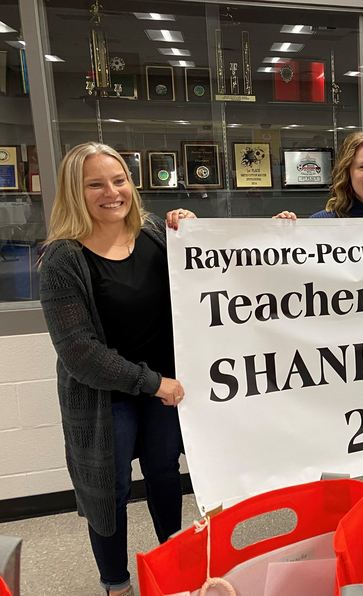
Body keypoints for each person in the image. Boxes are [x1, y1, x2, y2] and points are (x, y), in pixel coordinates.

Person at [38, 142, 195, 596]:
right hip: (105, 394)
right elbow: (80, 352)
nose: (112, 192)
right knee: (109, 491)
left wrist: (193, 234)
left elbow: (205, 288)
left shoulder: (155, 235)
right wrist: (152, 383)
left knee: (166, 474)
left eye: (119, 179)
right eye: (96, 184)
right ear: (75, 191)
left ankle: (171, 566)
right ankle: (117, 584)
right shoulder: (63, 260)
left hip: (165, 388)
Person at [274, 131, 363, 556]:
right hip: (335, 360)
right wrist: (277, 237)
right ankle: (337, 518)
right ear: (347, 173)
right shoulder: (319, 226)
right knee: (334, 435)